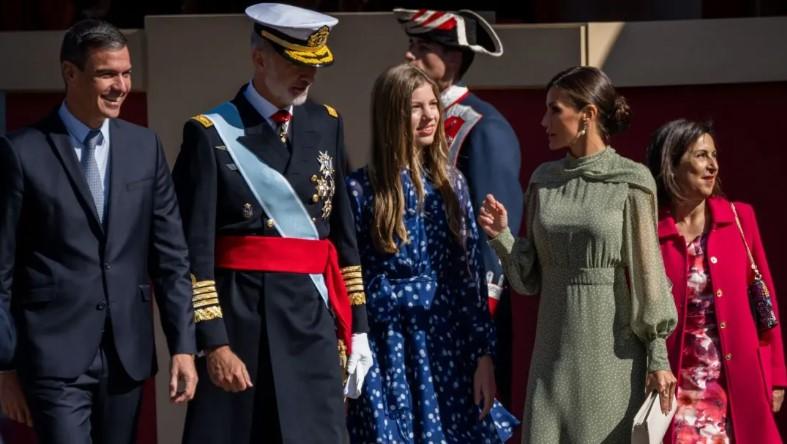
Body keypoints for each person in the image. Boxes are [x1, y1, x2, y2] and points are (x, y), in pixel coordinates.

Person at [172, 4, 373, 443]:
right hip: (244, 324)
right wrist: (214, 341)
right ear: (259, 59)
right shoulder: (210, 133)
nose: (308, 75)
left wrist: (358, 326)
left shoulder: (327, 123)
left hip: (312, 323)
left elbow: (343, 236)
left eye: (314, 65)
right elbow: (192, 253)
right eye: (296, 63)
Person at [0, 19, 197, 443]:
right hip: (53, 357)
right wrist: (3, 367)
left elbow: (171, 258)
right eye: (107, 74)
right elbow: (1, 268)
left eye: (126, 73)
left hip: (127, 355)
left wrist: (183, 345)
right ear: (70, 73)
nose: (121, 86)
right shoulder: (20, 152)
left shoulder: (145, 147)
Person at [477, 66, 678, 443]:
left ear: (588, 115)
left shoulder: (631, 180)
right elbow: (528, 280)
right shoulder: (543, 181)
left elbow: (649, 274)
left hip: (612, 360)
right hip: (550, 360)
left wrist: (658, 356)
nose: (544, 121)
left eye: (555, 110)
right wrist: (502, 236)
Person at [345, 63, 517, 443]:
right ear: (391, 115)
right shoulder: (359, 189)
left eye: (433, 105)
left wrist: (483, 356)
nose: (429, 116)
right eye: (415, 107)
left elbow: (469, 277)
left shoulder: (451, 184)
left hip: (444, 340)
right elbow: (347, 278)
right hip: (386, 342)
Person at [394, 7, 525, 407]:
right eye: (411, 45)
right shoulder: (412, 121)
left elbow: (494, 241)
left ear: (452, 58)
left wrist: (481, 331)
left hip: (463, 316)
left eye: (423, 48)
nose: (410, 56)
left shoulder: (483, 128)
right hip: (418, 306)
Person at [645, 119, 786, 443]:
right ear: (671, 165)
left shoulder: (739, 219)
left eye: (714, 155)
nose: (713, 166)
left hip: (736, 384)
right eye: (701, 155)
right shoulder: (650, 231)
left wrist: (777, 375)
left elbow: (765, 302)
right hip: (675, 389)